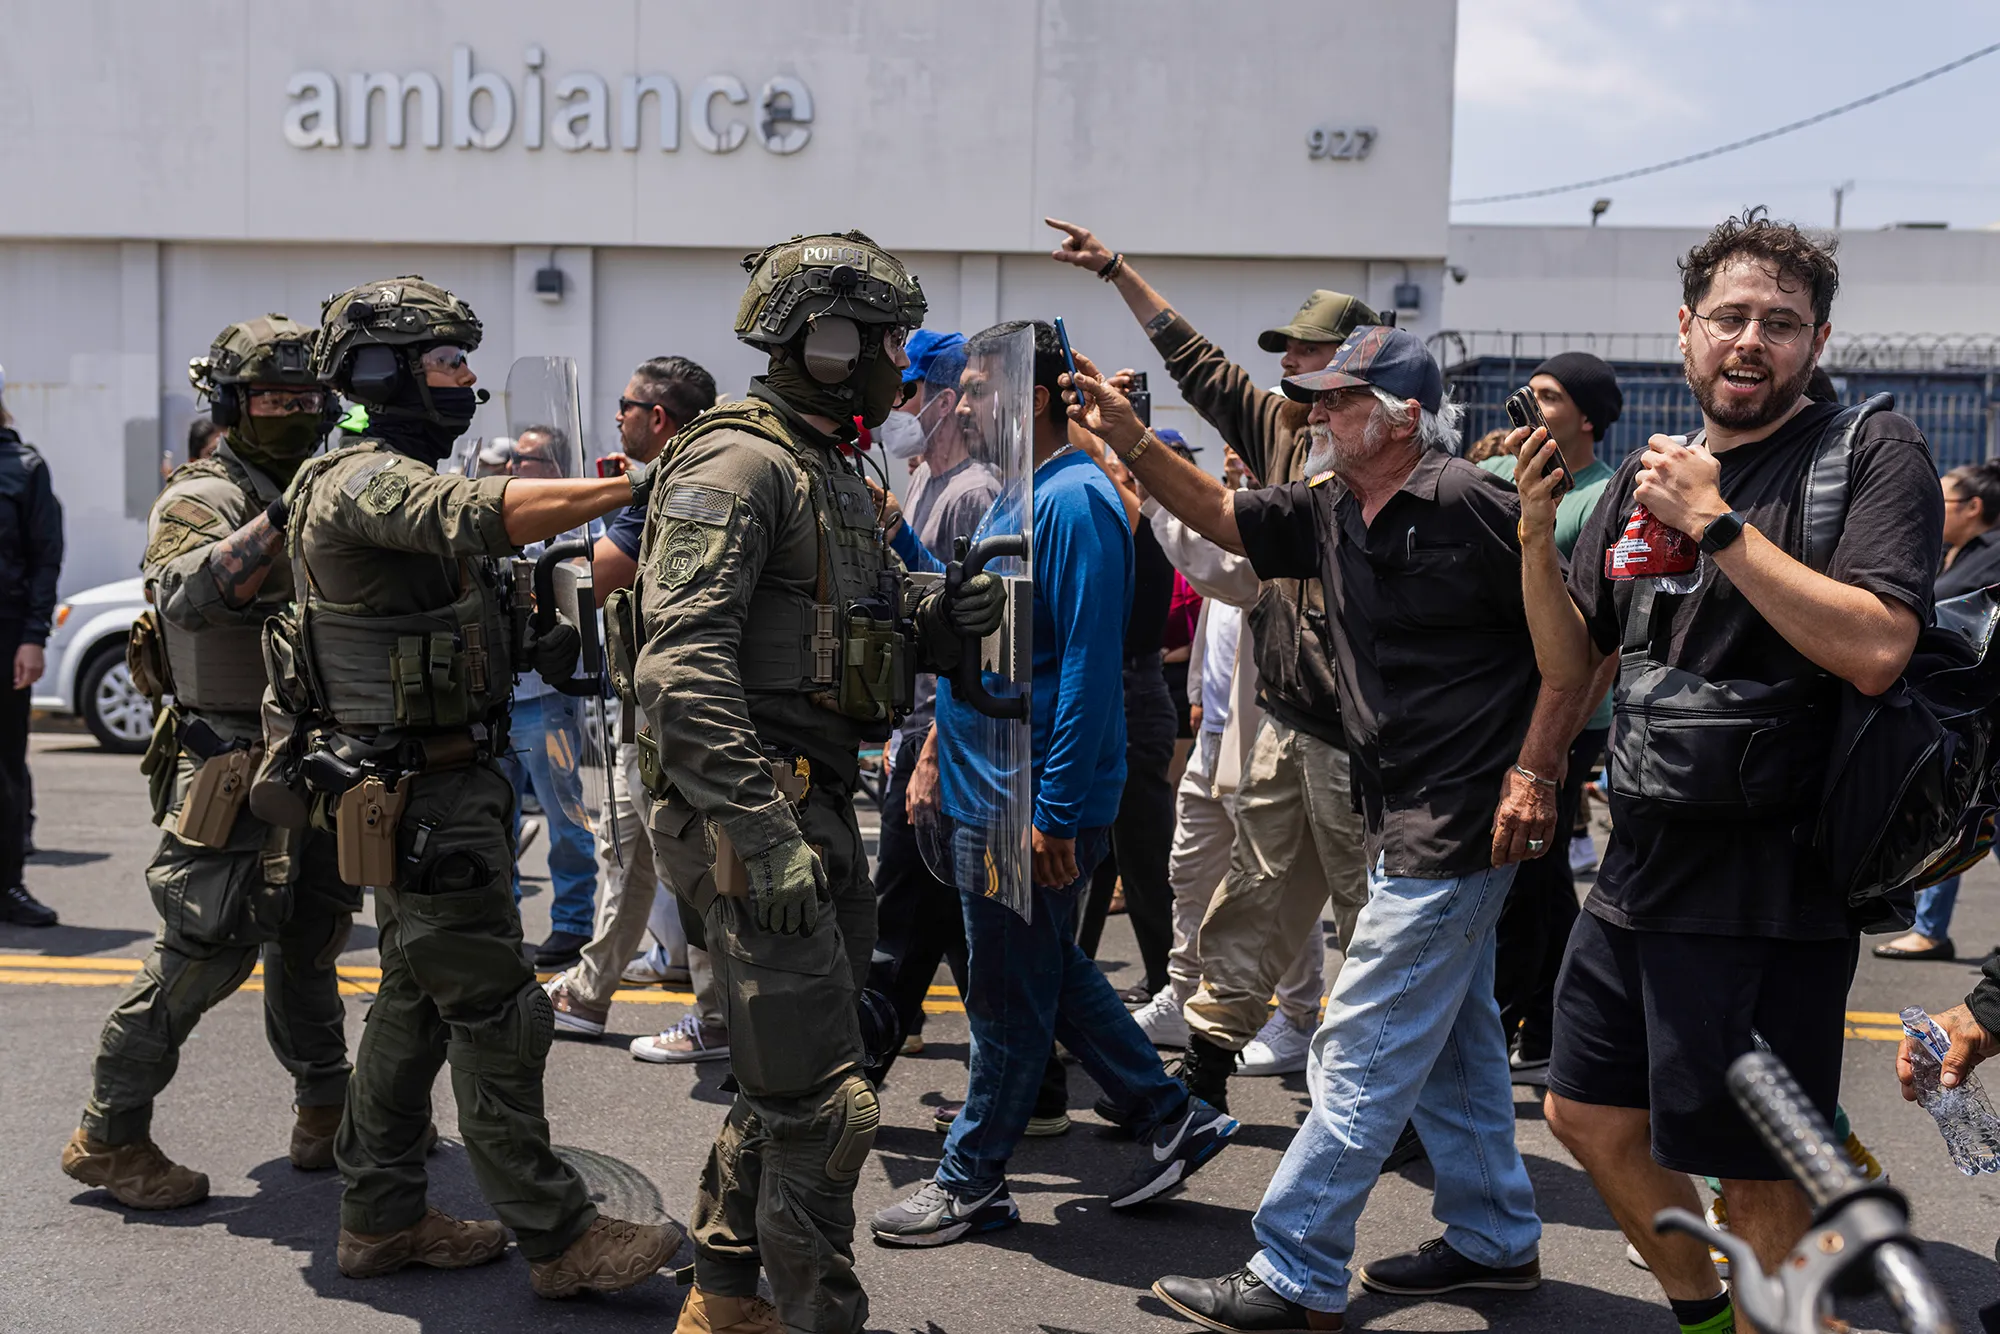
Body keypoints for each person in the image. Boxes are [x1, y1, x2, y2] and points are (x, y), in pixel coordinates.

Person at [1073, 327, 1584, 1331]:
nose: (1311, 413)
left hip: (1462, 816)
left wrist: (1536, 769)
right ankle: (1494, 1236)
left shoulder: (1470, 502)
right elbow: (1217, 512)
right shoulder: (1329, 507)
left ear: (1397, 414)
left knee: (1356, 1040)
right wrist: (1130, 438)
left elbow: (1572, 651)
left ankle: (1294, 1267)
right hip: (1395, 801)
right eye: (1312, 397)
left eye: (1335, 398)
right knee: (1455, 1041)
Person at [1517, 210, 1941, 1334]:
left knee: (1753, 1171)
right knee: (1583, 1111)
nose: (1750, 341)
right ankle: (1708, 1316)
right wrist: (1527, 544)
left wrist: (1715, 526)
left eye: (1780, 323)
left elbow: (1875, 646)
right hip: (1637, 858)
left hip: (1770, 881)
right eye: (1729, 318)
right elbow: (1577, 663)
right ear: (1685, 330)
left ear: (1817, 340)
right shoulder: (1641, 480)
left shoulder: (1868, 451)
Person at [621, 232, 999, 1334]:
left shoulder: (827, 466)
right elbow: (676, 663)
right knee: (826, 1103)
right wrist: (758, 823)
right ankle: (814, 1314)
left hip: (810, 800)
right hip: (759, 812)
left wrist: (940, 617)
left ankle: (727, 1295)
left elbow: (855, 621)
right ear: (826, 342)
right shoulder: (739, 465)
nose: (898, 360)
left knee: (786, 1085)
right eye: (882, 338)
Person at [286, 276, 679, 1295]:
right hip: (418, 796)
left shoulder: (386, 473)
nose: (467, 380)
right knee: (501, 1014)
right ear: (384, 372)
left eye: (468, 361)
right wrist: (635, 482)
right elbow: (472, 513)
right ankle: (561, 1239)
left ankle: (380, 1217)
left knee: (414, 1007)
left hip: (444, 780)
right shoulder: (362, 479)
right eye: (447, 362)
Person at [872, 320, 1239, 1250]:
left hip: (1019, 796)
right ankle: (1173, 1114)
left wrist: (1060, 810)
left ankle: (972, 1181)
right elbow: (972, 621)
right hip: (980, 781)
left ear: (1030, 397)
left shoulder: (1073, 502)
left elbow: (1086, 669)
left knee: (1002, 998)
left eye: (981, 389)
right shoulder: (1026, 494)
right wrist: (895, 540)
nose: (963, 405)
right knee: (1051, 973)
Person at [1045, 218, 1369, 1112]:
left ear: (1363, 363)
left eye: (1311, 357)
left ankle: (1406, 1110)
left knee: (1369, 925)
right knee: (1245, 898)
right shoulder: (1286, 429)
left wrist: (1134, 450)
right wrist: (1115, 271)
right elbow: (1201, 363)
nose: (1291, 372)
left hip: (1359, 741)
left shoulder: (1388, 458)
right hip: (1288, 725)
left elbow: (1227, 535)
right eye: (1292, 357)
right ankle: (1206, 1075)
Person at [58, 316, 363, 1210]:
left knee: (312, 938)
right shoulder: (207, 492)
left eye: (311, 396)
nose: (297, 411)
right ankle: (109, 1135)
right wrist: (283, 515)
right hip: (228, 762)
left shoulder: (319, 477)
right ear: (233, 405)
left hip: (313, 757)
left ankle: (324, 1106)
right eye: (276, 397)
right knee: (201, 950)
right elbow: (186, 591)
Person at [543, 355, 729, 1061]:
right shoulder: (665, 482)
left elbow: (596, 579)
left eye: (625, 405)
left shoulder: (664, 491)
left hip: (668, 705)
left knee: (687, 860)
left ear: (657, 418)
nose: (617, 416)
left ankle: (713, 1019)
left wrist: (571, 536)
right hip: (646, 698)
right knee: (629, 850)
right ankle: (591, 992)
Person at [1137, 466, 1329, 1075]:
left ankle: (1296, 1016)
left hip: (1262, 736)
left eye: (1242, 455)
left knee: (1270, 889)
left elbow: (1217, 572)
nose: (1231, 468)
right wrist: (1197, 692)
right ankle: (1183, 991)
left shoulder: (1281, 530)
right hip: (1216, 734)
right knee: (1192, 874)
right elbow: (1213, 625)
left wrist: (1139, 465)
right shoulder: (1244, 519)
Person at [1477, 351, 1623, 1085]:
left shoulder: (1602, 495)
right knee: (1528, 876)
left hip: (1560, 716)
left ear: (1588, 417)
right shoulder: (1500, 479)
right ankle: (1546, 1028)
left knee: (1527, 874)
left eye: (1548, 396)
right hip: (1492, 702)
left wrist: (1564, 732)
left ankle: (1521, 1026)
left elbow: (1609, 634)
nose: (1528, 402)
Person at [865, 328, 992, 1087]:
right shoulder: (922, 481)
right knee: (957, 926)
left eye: (908, 390)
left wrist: (932, 750)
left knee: (903, 919)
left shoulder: (973, 491)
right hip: (917, 728)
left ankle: (860, 1068)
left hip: (942, 732)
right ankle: (1026, 1081)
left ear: (944, 401)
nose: (896, 405)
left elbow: (972, 638)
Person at [1874, 459, 2000, 963]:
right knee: (1954, 821)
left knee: (1969, 819)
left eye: (1942, 498)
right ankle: (1928, 929)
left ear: (1973, 507)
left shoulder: (1991, 557)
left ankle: (1929, 929)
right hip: (1953, 719)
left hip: (1981, 718)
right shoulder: (1955, 552)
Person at [498, 424, 604, 970]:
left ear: (556, 467)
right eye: (514, 457)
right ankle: (502, 920)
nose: (515, 467)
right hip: (501, 695)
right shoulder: (504, 510)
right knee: (499, 818)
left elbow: (587, 588)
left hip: (547, 696)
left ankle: (571, 922)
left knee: (565, 818)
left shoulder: (579, 518)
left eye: (529, 459)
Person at [0, 363, 63, 928]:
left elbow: (46, 558)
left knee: (5, 768)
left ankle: (7, 886)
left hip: (5, 636)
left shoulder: (24, 468)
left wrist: (33, 637)